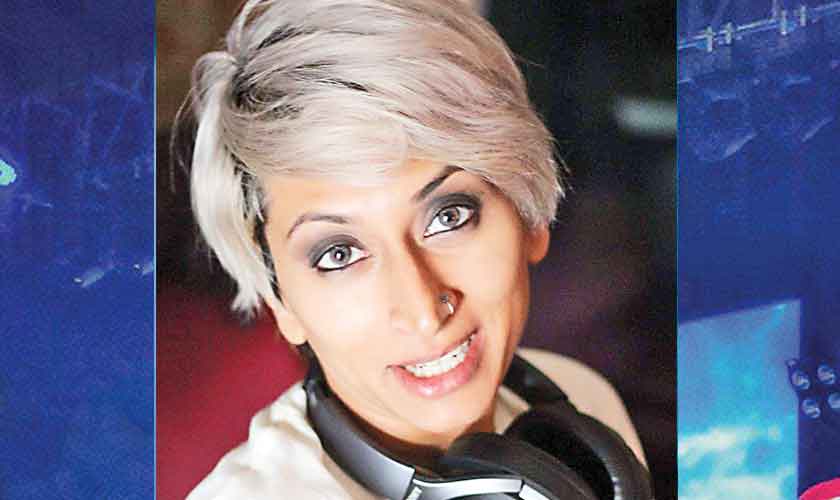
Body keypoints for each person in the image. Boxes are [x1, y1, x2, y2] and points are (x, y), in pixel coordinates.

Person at [179, 0, 648, 498]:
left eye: (449, 217)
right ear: (281, 303)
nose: (423, 312)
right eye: (339, 254)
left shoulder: (584, 403)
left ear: (529, 216)